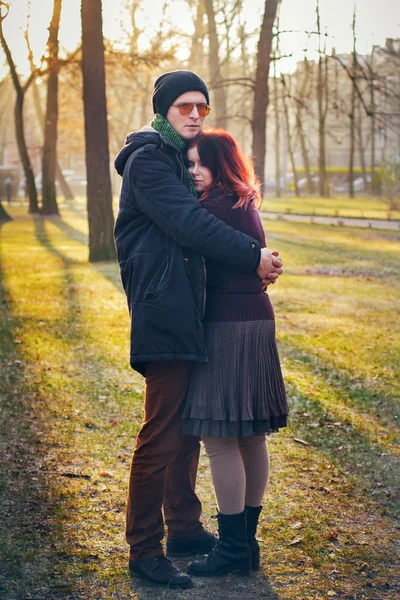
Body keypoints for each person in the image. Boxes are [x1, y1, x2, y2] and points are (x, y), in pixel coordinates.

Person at [114, 70, 283, 589]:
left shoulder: (176, 161)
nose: (194, 114)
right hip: (165, 313)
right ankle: (144, 549)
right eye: (184, 106)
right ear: (164, 110)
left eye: (201, 108)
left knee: (188, 431)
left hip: (193, 313)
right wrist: (253, 255)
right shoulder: (148, 161)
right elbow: (190, 224)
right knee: (163, 435)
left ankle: (184, 530)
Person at [181, 129, 289, 577]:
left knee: (221, 438)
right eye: (188, 165)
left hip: (228, 323)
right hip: (256, 317)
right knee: (250, 435)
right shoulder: (245, 203)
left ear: (219, 164)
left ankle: (232, 549)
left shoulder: (211, 208)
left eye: (198, 164)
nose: (192, 173)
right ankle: (246, 544)